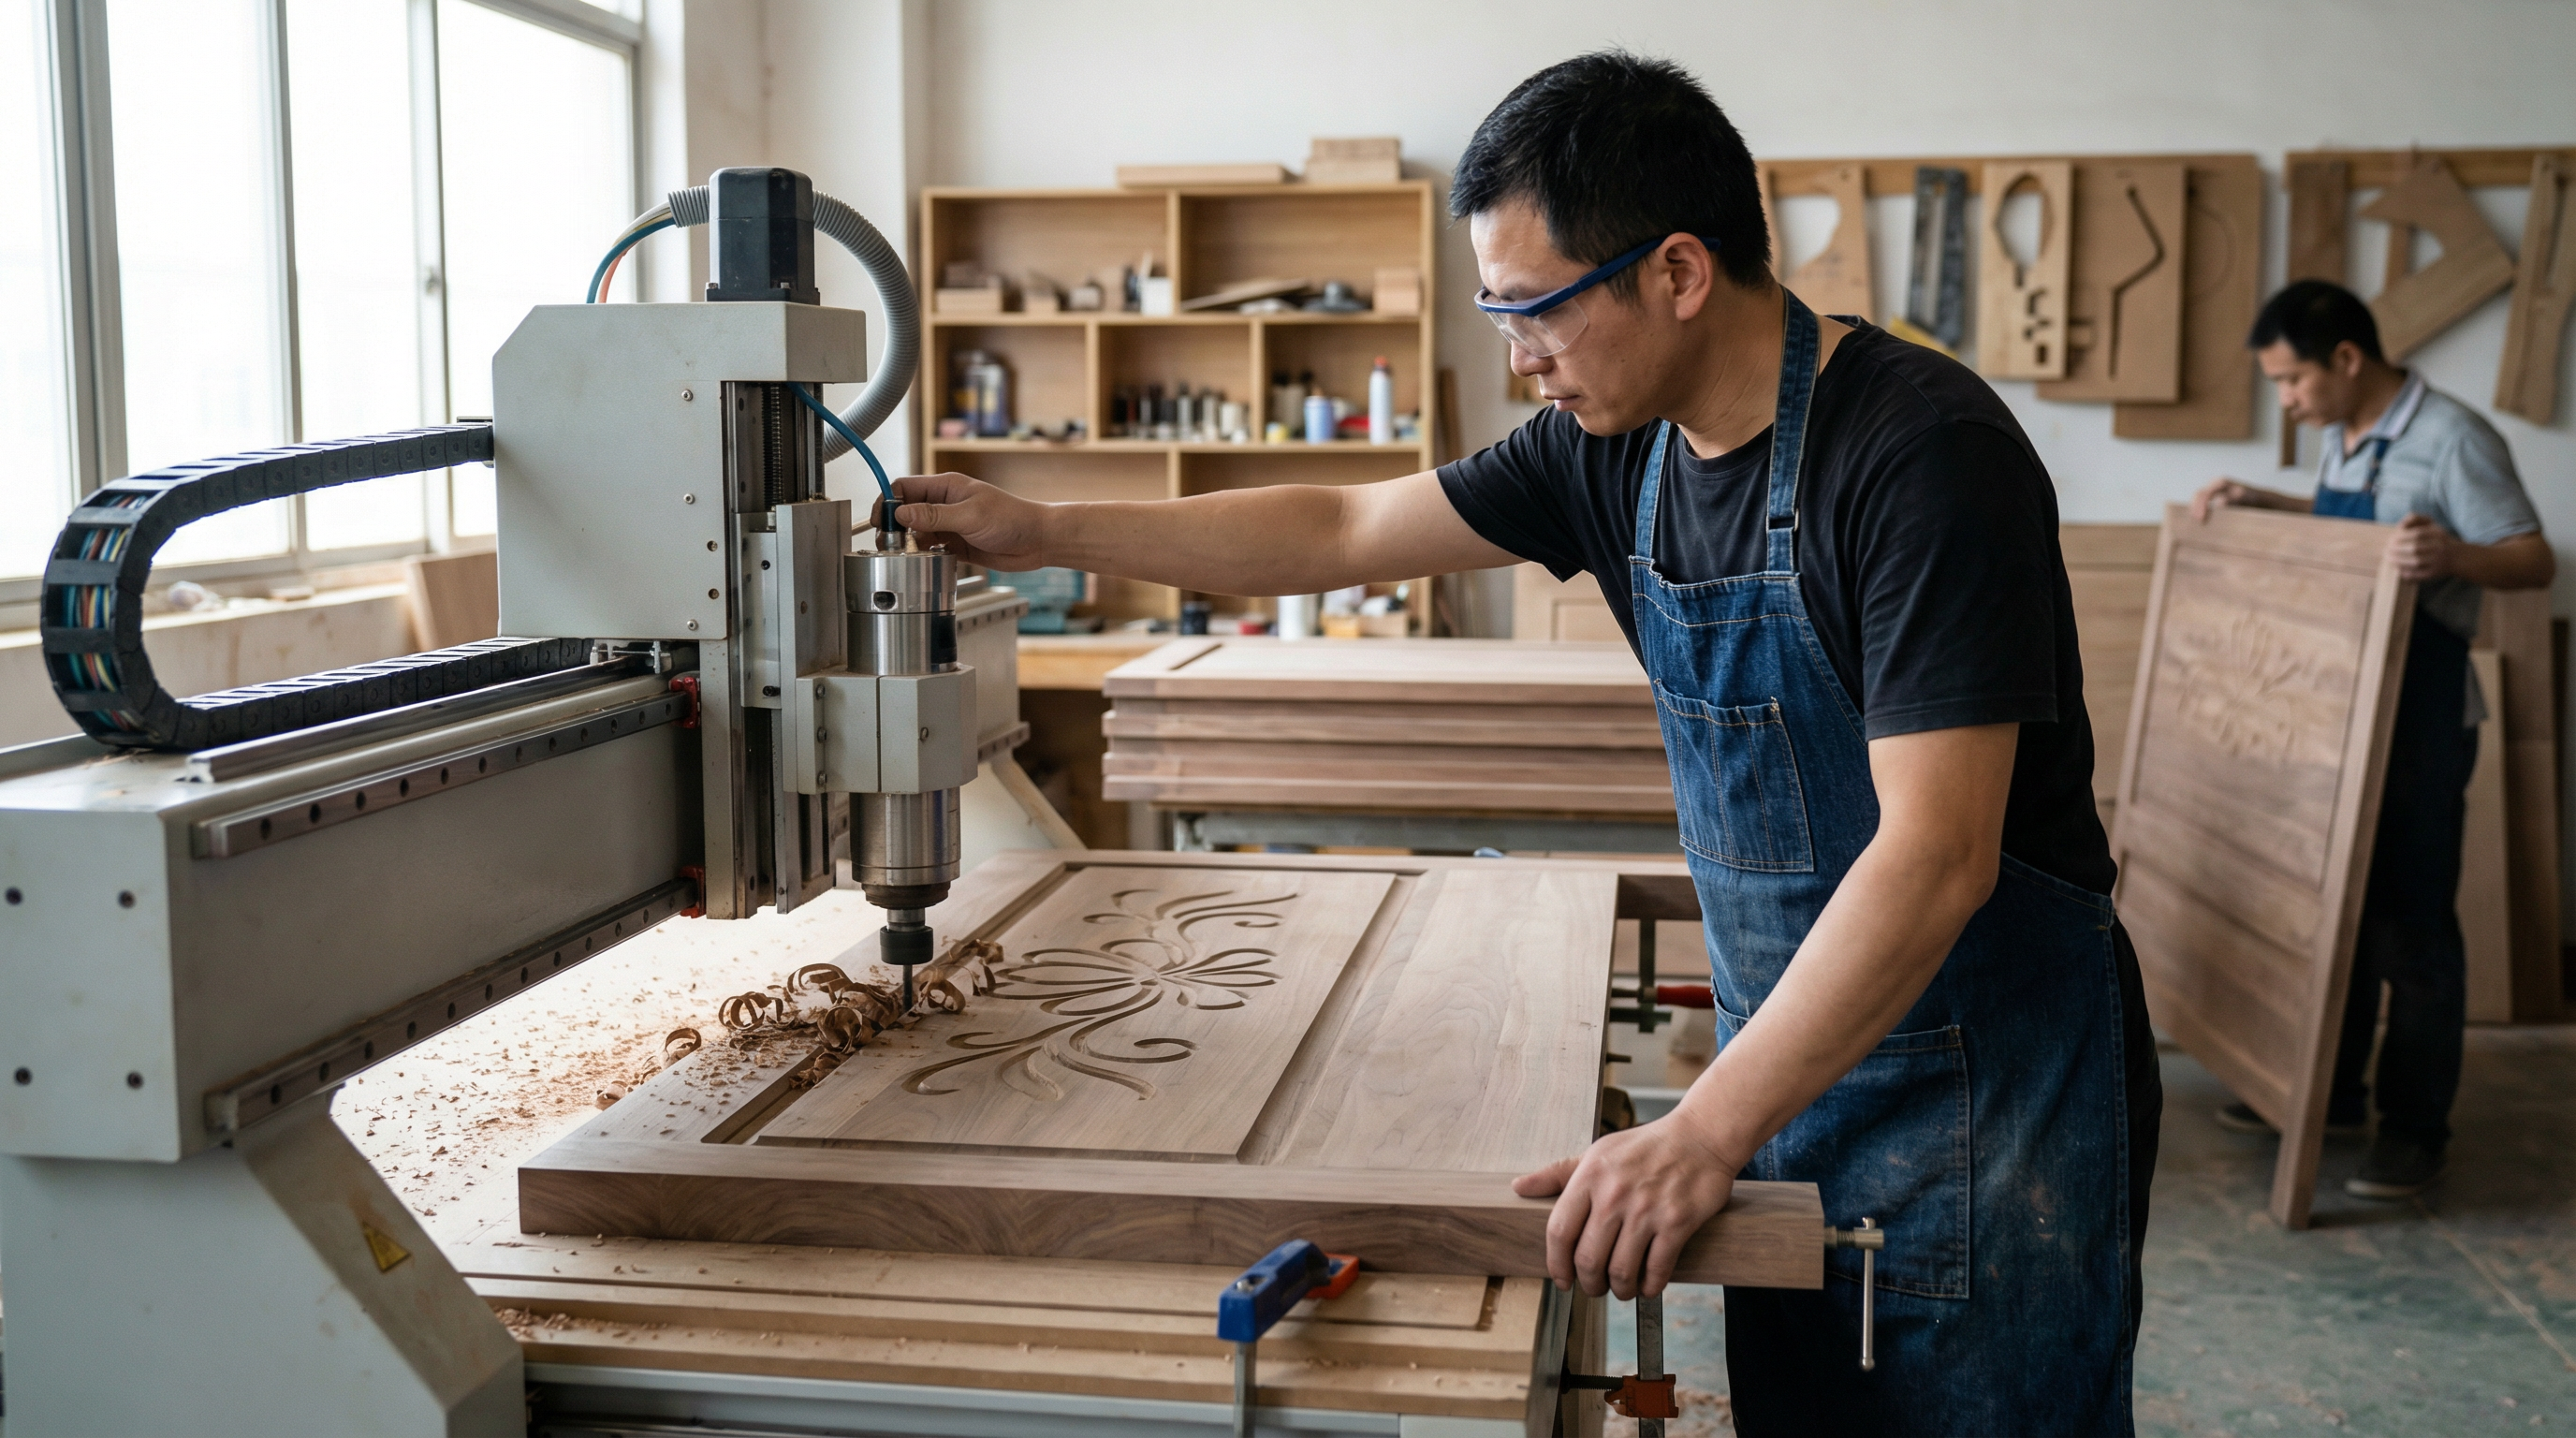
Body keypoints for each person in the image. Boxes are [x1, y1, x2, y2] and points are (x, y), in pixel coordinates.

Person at [885, 52, 2157, 1434]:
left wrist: (1703, 1131)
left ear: (1676, 273)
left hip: (1986, 1097)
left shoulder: (1917, 458)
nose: (1516, 357)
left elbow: (1936, 852)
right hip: (1793, 1063)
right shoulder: (1615, 446)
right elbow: (1342, 528)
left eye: (1536, 310)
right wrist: (1048, 529)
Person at [2191, 280, 2551, 1201]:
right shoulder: (2341, 436)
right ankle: (2332, 1096)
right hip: (2339, 705)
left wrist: (2453, 558)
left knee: (2409, 926)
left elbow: (2529, 554)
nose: (2287, 400)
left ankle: (2414, 1131)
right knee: (2332, 908)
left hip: (2421, 716)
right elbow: (2346, 540)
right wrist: (2264, 503)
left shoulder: (2455, 438)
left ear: (2345, 359)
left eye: (2291, 380)